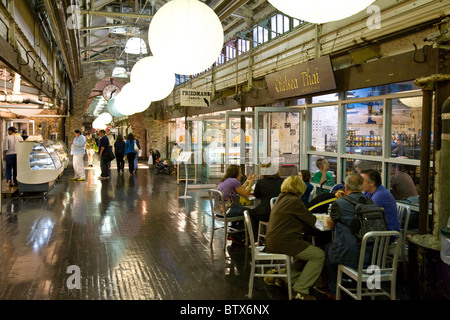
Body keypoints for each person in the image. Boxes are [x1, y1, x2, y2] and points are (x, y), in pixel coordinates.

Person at [265, 175, 325, 300]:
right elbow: (311, 220)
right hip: (285, 242)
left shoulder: (281, 198)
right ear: (300, 188)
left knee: (306, 254)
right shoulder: (295, 201)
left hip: (274, 240)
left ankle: (284, 277)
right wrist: (324, 222)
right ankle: (300, 289)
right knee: (319, 255)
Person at [324, 173, 371, 299]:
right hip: (371, 255)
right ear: (361, 187)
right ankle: (365, 287)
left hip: (350, 256)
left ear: (345, 186)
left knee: (328, 249)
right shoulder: (371, 202)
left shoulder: (339, 203)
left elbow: (331, 225)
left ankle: (334, 291)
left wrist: (337, 201)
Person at [217, 165, 257, 244]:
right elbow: (245, 194)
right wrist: (251, 183)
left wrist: (248, 181)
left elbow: (240, 189)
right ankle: (253, 239)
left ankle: (236, 234)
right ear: (235, 173)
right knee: (250, 212)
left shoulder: (226, 180)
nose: (241, 175)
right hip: (227, 211)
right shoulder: (234, 181)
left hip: (219, 210)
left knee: (243, 210)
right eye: (240, 173)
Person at [249, 163, 284, 241]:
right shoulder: (283, 181)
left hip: (266, 213)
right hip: (281, 213)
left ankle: (255, 239)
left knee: (251, 214)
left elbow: (256, 195)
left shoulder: (261, 182)